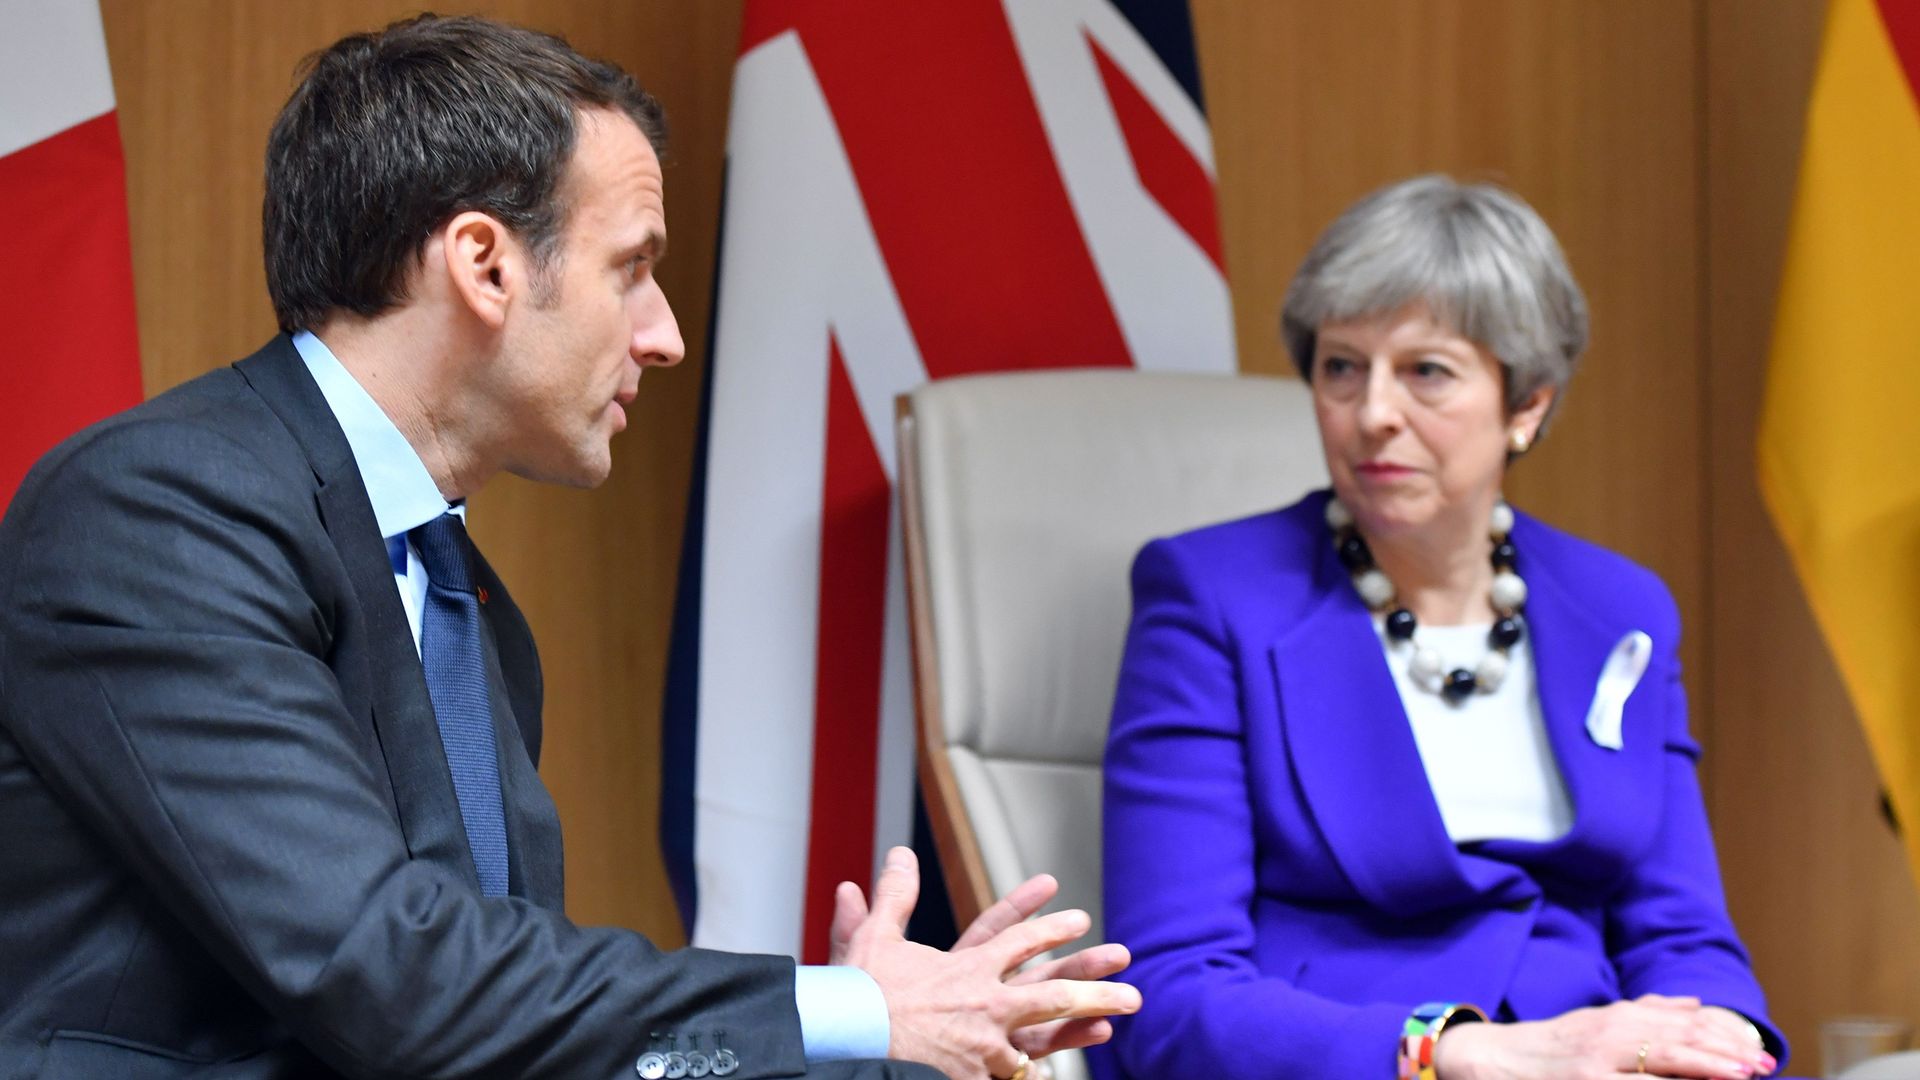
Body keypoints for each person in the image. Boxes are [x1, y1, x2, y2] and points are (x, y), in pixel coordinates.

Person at [0, 15, 1136, 1080]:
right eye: (630, 268)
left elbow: (503, 1015)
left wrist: (861, 1032)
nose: (667, 335)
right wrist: (843, 1009)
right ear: (485, 265)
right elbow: (389, 976)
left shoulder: (465, 600)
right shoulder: (159, 511)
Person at [1099, 175, 1787, 1080]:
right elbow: (1172, 990)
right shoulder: (1213, 598)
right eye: (1341, 366)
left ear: (1527, 405)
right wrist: (1455, 1054)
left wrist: (1707, 1049)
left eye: (1426, 370)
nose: (1373, 412)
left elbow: (1684, 934)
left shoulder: (1620, 608)